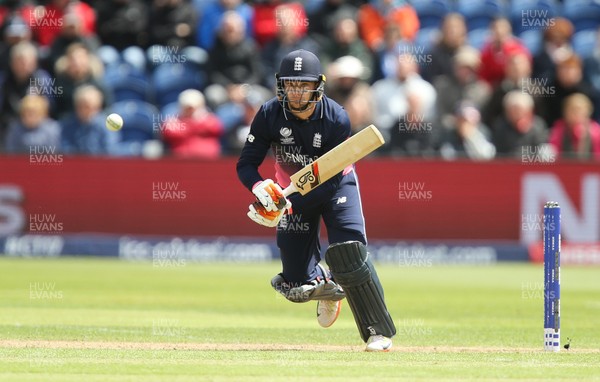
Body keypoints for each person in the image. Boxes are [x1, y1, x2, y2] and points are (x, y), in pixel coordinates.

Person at [236, 49, 396, 352]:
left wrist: (287, 202)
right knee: (298, 283)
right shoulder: (270, 113)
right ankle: (324, 284)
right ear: (281, 85)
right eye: (290, 84)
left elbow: (330, 178)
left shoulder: (336, 116)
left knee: (349, 252)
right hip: (288, 192)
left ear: (317, 86)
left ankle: (378, 332)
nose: (296, 92)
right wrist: (259, 189)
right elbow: (246, 164)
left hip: (337, 187)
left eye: (303, 85)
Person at [161, 89, 224, 159]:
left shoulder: (211, 119)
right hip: (181, 161)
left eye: (193, 108)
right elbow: (169, 131)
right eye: (187, 108)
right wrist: (194, 126)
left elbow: (216, 128)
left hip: (209, 161)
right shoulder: (174, 121)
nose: (190, 110)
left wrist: (190, 126)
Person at [548, 93, 600, 160]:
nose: (576, 113)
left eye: (579, 110)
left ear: (588, 112)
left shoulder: (596, 132)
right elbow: (553, 153)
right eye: (572, 110)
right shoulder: (558, 130)